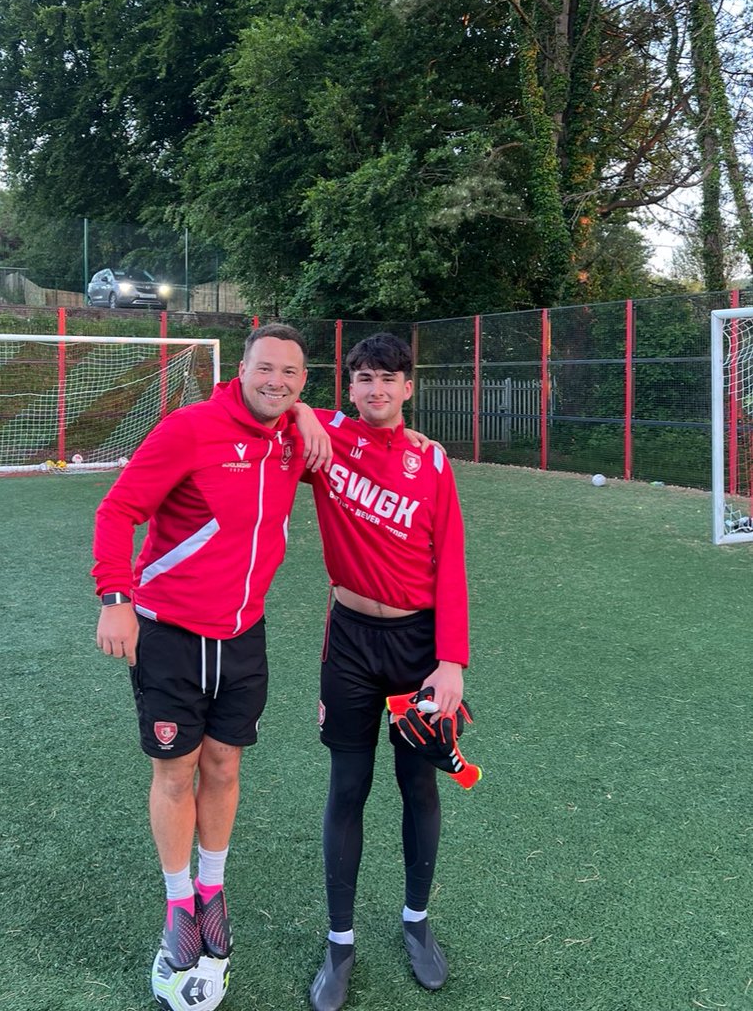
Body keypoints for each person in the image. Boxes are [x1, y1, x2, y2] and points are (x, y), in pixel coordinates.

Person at [91, 323, 329, 974]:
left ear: (303, 380)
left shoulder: (293, 435)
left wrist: (307, 414)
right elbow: (117, 511)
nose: (277, 381)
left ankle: (211, 889)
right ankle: (177, 904)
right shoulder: (190, 429)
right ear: (242, 370)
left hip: (244, 635)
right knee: (175, 771)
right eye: (266, 369)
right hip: (169, 633)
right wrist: (116, 598)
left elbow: (362, 431)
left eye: (291, 374)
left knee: (224, 765)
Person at [300, 333, 470, 1011]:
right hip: (347, 641)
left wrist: (450, 661)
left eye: (389, 379)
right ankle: (340, 943)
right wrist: (306, 415)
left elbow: (450, 561)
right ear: (348, 386)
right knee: (347, 787)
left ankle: (415, 923)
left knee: (417, 786)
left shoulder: (431, 461)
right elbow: (260, 401)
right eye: (364, 377)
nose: (376, 389)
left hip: (416, 645)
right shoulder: (323, 440)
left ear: (408, 388)